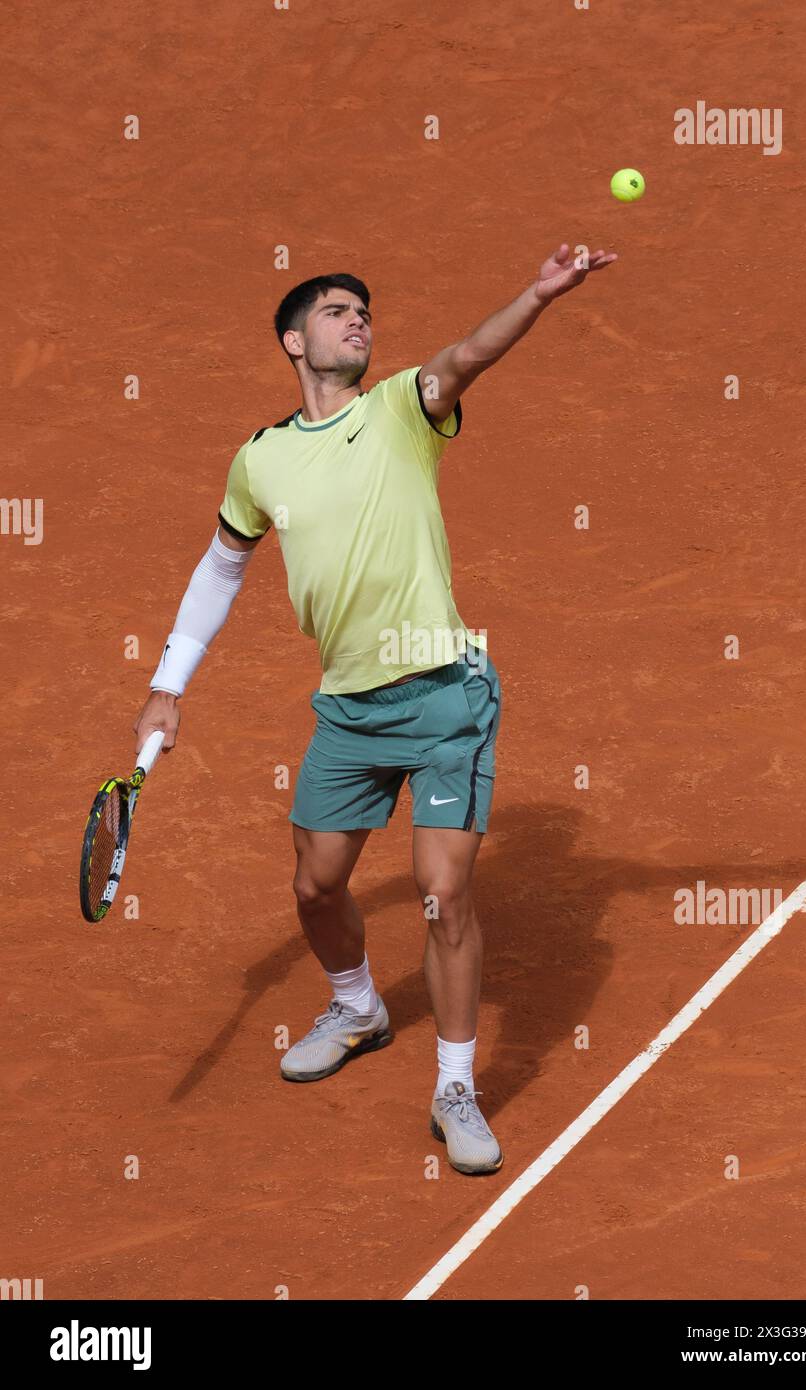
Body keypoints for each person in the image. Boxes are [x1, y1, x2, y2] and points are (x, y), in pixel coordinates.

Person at [133, 242, 617, 1176]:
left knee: (443, 896)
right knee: (316, 888)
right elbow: (222, 566)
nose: (357, 319)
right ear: (292, 341)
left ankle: (455, 1084)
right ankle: (358, 1008)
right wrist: (167, 683)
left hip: (445, 697)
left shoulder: (402, 410)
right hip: (349, 711)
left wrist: (540, 293)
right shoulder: (261, 459)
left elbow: (468, 356)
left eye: (364, 312)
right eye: (334, 311)